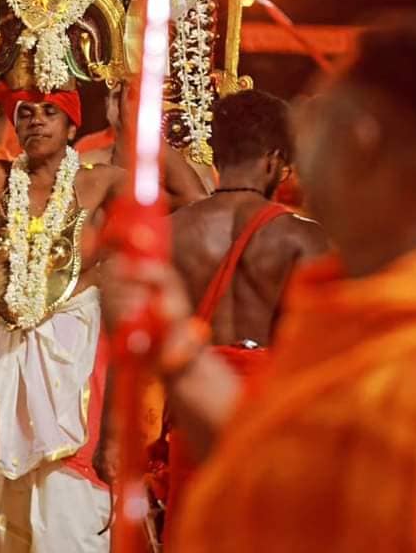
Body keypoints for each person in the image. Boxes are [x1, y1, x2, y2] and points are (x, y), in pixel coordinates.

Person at [107, 13, 416, 552]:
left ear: (362, 141)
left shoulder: (407, 373)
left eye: (315, 119)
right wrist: (173, 347)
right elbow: (268, 458)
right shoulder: (349, 306)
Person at [0, 75, 123, 553]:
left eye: (49, 112)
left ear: (73, 125)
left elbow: (187, 194)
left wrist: (132, 122)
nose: (36, 121)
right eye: (26, 112)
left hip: (72, 355)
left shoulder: (97, 181)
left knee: (64, 505)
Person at [161, 89, 328, 537]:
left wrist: (113, 435)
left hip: (191, 412)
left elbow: (140, 335)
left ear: (217, 152)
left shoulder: (170, 233)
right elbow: (318, 351)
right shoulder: (304, 240)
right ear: (275, 161)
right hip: (269, 418)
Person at [79, 81, 210, 205]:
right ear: (107, 104)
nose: (123, 106)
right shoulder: (85, 161)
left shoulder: (193, 166)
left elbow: (198, 205)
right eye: (117, 98)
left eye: (138, 98)